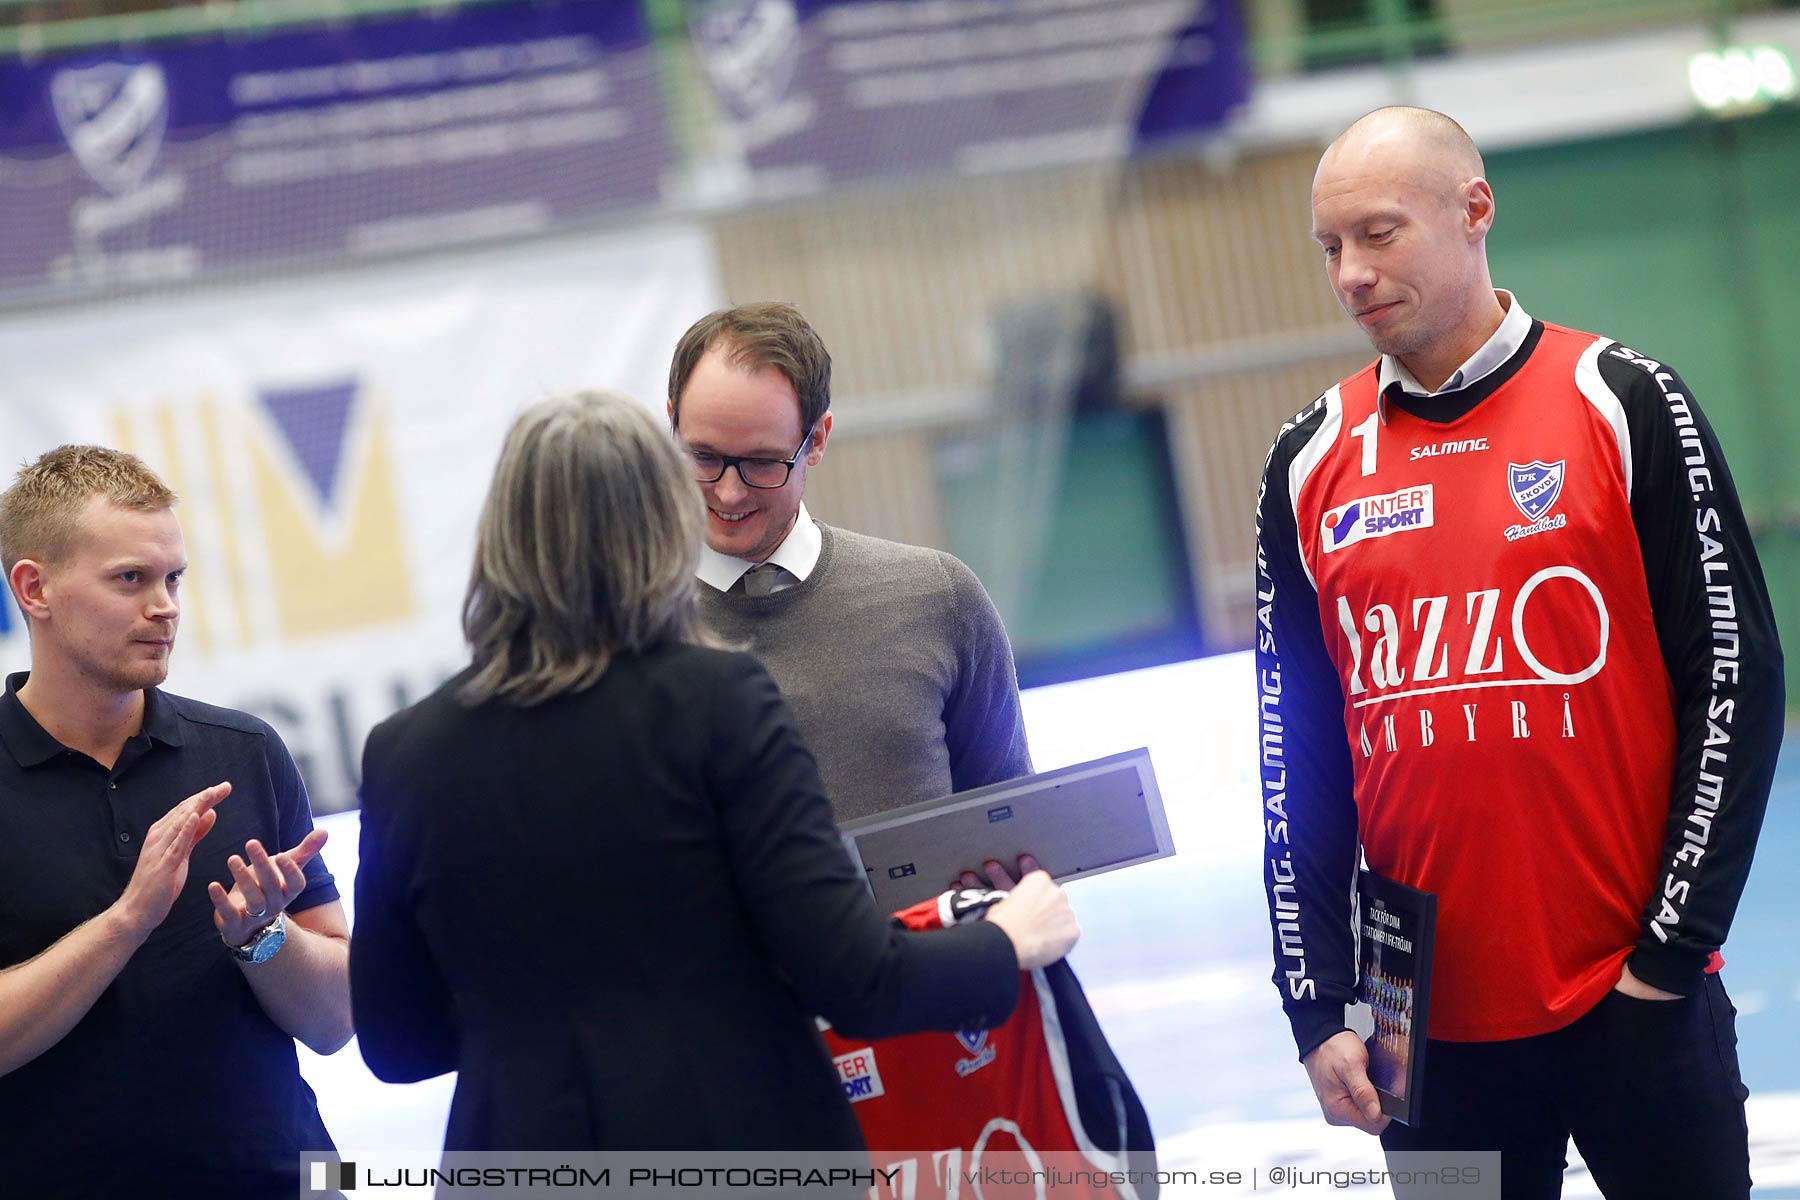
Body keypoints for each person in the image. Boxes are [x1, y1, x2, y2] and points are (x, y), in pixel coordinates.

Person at [1256, 106, 1783, 1198]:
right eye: (1329, 249)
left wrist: (1669, 962)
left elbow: (1734, 679)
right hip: (1419, 1026)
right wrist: (1316, 1007)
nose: (1352, 274)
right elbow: (1292, 760)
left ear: (1475, 210)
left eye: (1380, 234)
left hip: (1632, 998)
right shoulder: (1307, 459)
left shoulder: (1625, 401)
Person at [349, 391, 1079, 1151]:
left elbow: (398, 1043)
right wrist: (1007, 940)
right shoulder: (716, 702)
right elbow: (854, 978)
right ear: (660, 525)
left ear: (499, 537)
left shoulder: (406, 752)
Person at [0, 445, 350, 1197]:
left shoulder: (245, 751)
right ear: (35, 588)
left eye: (173, 577)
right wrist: (128, 920)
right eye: (130, 579)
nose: (165, 606)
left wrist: (264, 938)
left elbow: (336, 1023)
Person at [668, 302, 1032, 825]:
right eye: (703, 457)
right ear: (671, 424)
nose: (728, 492)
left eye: (762, 462)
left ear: (816, 440)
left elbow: (1014, 822)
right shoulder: (619, 631)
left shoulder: (936, 598)